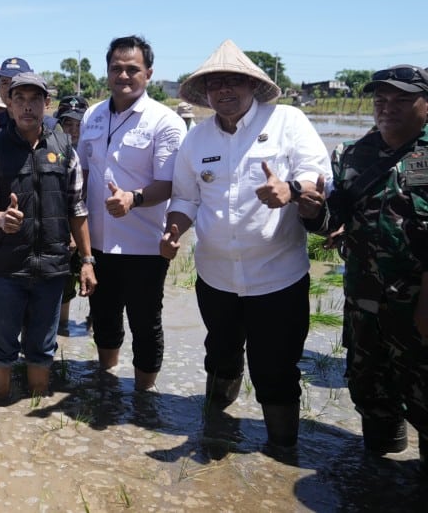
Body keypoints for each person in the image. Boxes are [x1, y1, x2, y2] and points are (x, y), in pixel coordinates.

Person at [160, 40, 329, 449]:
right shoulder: (196, 140)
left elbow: (316, 175)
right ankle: (216, 431)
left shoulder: (287, 120)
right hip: (216, 278)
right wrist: (173, 229)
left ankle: (282, 450)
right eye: (215, 84)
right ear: (206, 93)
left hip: (278, 278)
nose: (224, 90)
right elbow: (186, 198)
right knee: (219, 355)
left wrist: (289, 190)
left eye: (234, 81)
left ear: (253, 85)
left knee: (276, 367)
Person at [299, 65, 428, 470]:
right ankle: (377, 482)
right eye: (380, 100)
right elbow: (332, 222)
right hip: (364, 302)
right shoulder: (354, 155)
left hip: (420, 306)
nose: (388, 108)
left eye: (402, 99)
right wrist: (312, 211)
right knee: (370, 392)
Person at [0, 72, 96, 401]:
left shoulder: (66, 148)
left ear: (47, 104)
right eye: (20, 100)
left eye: (35, 100)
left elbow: (78, 209)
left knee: (42, 348)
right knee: (1, 347)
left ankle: (35, 421)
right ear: (9, 105)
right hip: (6, 269)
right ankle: (1, 409)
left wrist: (86, 260)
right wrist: (0, 219)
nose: (27, 107)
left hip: (53, 268)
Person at [77, 36, 186, 391]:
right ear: (107, 72)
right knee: (103, 316)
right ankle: (107, 382)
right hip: (98, 242)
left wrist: (134, 199)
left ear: (148, 73)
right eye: (116, 69)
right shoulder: (92, 115)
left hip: (144, 244)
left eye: (132, 69)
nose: (123, 75)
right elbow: (82, 174)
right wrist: (77, 235)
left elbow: (169, 184)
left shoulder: (165, 122)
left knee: (145, 322)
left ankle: (144, 397)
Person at [56, 103, 87, 335]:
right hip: (64, 230)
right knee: (64, 284)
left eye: (79, 125)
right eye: (68, 124)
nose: (74, 130)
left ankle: (93, 333)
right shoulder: (53, 150)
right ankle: (62, 329)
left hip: (92, 229)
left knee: (96, 287)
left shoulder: (95, 148)